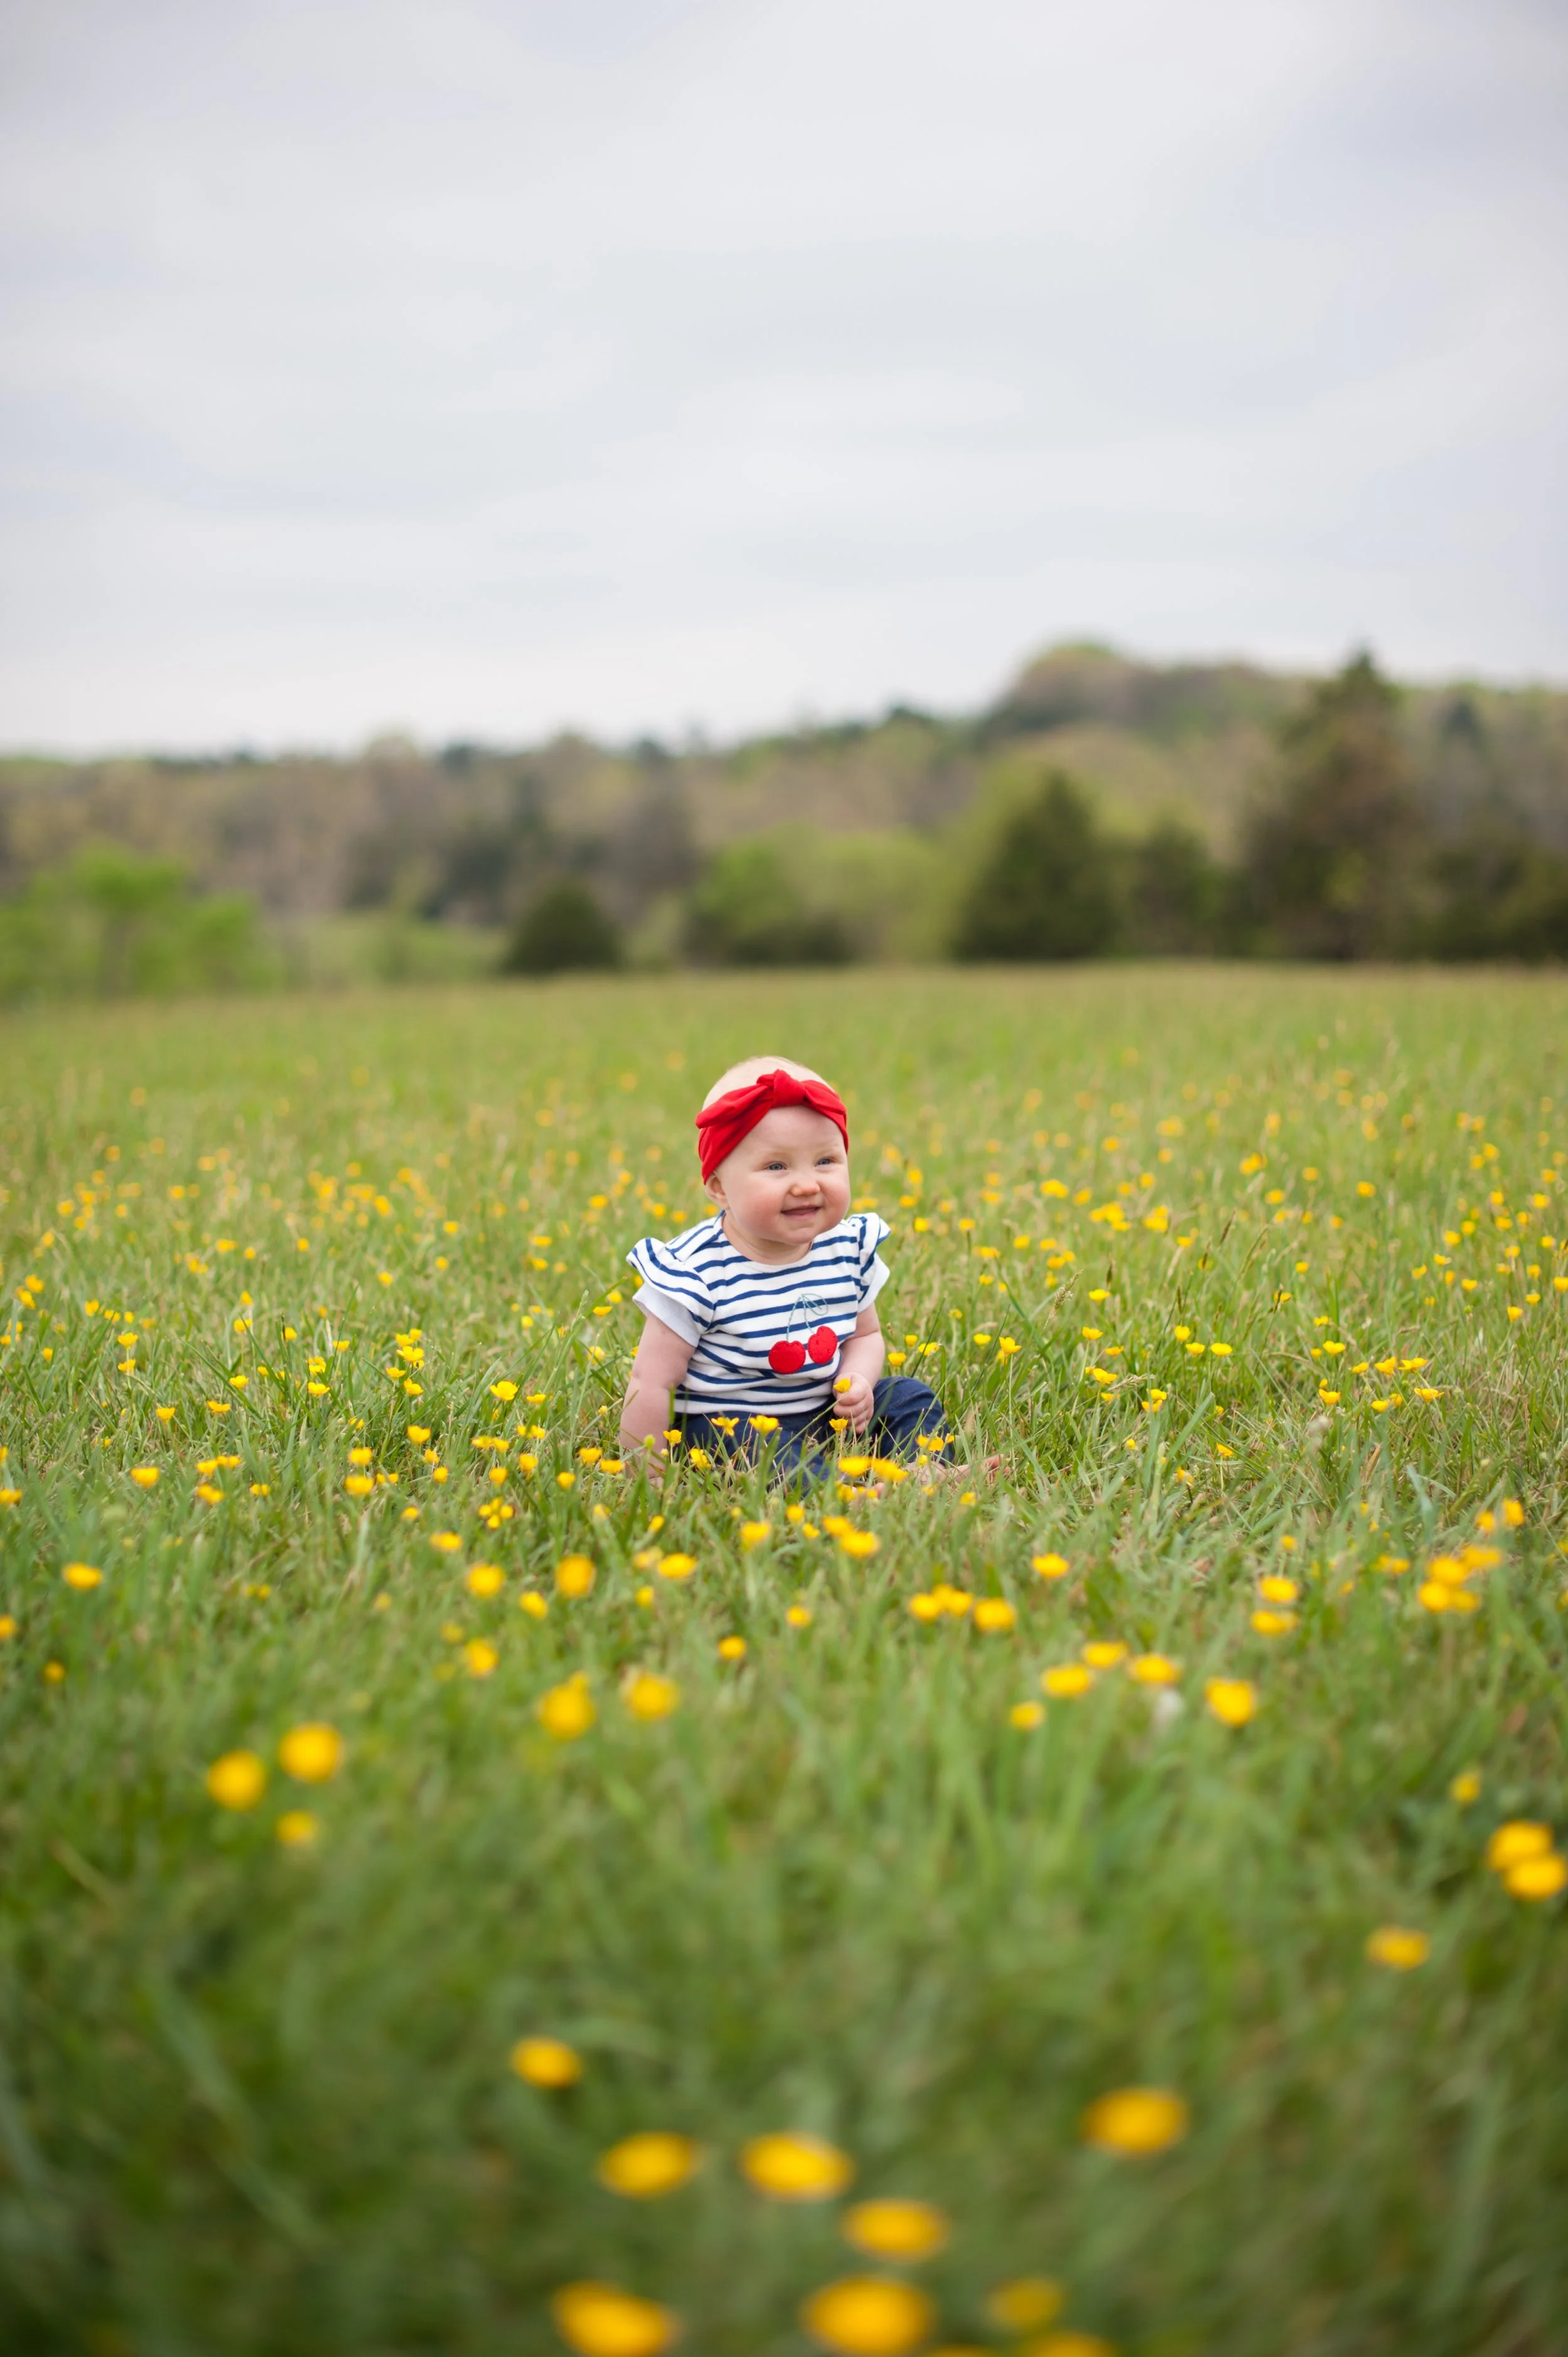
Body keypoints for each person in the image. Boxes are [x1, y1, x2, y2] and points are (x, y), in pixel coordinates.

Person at [618, 1056, 950, 1473]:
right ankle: (842, 1496)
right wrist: (643, 1475)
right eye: (776, 1166)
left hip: (821, 1412)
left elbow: (866, 1335)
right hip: (728, 1422)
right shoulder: (696, 1272)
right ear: (719, 1187)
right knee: (752, 1444)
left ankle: (929, 1471)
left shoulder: (846, 1249)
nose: (807, 1183)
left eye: (825, 1161)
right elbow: (651, 1382)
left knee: (907, 1395)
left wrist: (859, 1381)